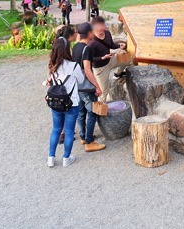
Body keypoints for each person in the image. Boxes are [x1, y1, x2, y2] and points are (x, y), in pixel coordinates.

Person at [45, 38, 81, 168]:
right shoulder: (74, 66)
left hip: (56, 102)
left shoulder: (52, 65)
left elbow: (50, 81)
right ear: (67, 49)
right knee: (70, 131)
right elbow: (81, 81)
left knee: (56, 129)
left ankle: (50, 158)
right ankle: (66, 158)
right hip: (72, 102)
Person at [72, 23, 106, 152]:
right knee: (92, 112)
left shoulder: (75, 47)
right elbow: (87, 69)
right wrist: (97, 86)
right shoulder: (87, 49)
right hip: (86, 86)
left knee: (81, 112)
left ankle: (83, 136)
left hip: (77, 86)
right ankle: (89, 142)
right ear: (89, 33)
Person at [88, 16, 131, 101]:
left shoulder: (107, 33)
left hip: (110, 60)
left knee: (128, 59)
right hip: (100, 69)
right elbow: (90, 59)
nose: (100, 30)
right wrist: (102, 58)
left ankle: (118, 74)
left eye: (101, 27)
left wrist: (119, 46)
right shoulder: (91, 42)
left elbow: (111, 45)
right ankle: (101, 111)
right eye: (98, 28)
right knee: (104, 92)